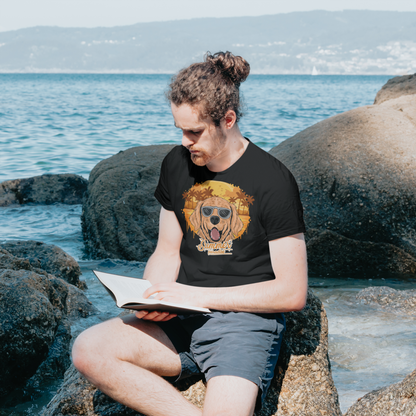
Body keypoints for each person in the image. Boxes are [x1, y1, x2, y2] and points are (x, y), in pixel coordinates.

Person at [72, 51, 308, 416]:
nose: (185, 141)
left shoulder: (273, 180)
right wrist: (154, 299)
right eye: (180, 130)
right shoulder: (176, 165)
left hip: (243, 327)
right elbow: (167, 251)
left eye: (195, 131)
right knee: (88, 349)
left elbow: (292, 292)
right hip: (180, 320)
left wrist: (192, 293)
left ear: (227, 120)